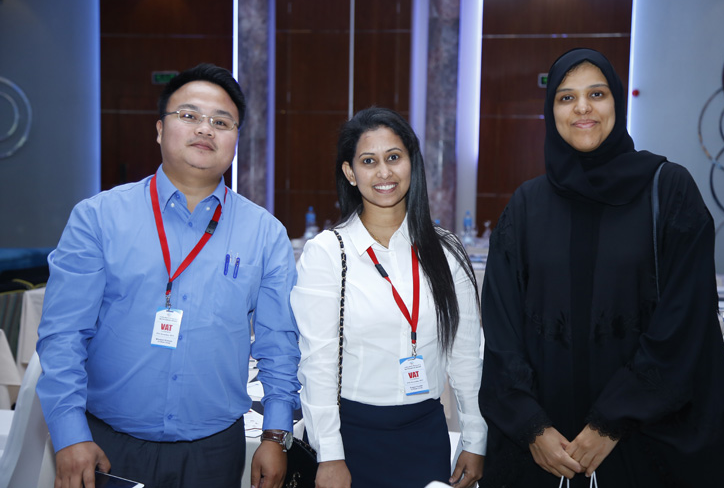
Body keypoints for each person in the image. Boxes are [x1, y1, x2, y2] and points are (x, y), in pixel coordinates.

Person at [478, 47, 724, 487]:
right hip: (547, 450)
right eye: (566, 97)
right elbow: (501, 327)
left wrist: (610, 422)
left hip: (647, 442)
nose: (582, 108)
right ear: (551, 112)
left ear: (617, 103)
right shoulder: (526, 206)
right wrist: (531, 426)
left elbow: (686, 320)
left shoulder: (670, 190)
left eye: (597, 94)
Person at [36, 63, 301, 488]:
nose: (205, 129)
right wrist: (70, 435)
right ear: (160, 130)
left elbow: (279, 344)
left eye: (221, 122)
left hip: (215, 451)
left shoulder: (265, 233)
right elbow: (63, 335)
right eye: (189, 115)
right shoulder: (98, 218)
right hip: (107, 444)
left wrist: (275, 434)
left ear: (236, 139)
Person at [290, 107, 487, 488]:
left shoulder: (446, 251)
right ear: (350, 173)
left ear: (412, 163)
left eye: (394, 157)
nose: (384, 172)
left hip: (425, 434)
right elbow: (318, 365)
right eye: (369, 161)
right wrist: (329, 455)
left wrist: (475, 439)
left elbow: (466, 356)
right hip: (351, 438)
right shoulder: (328, 252)